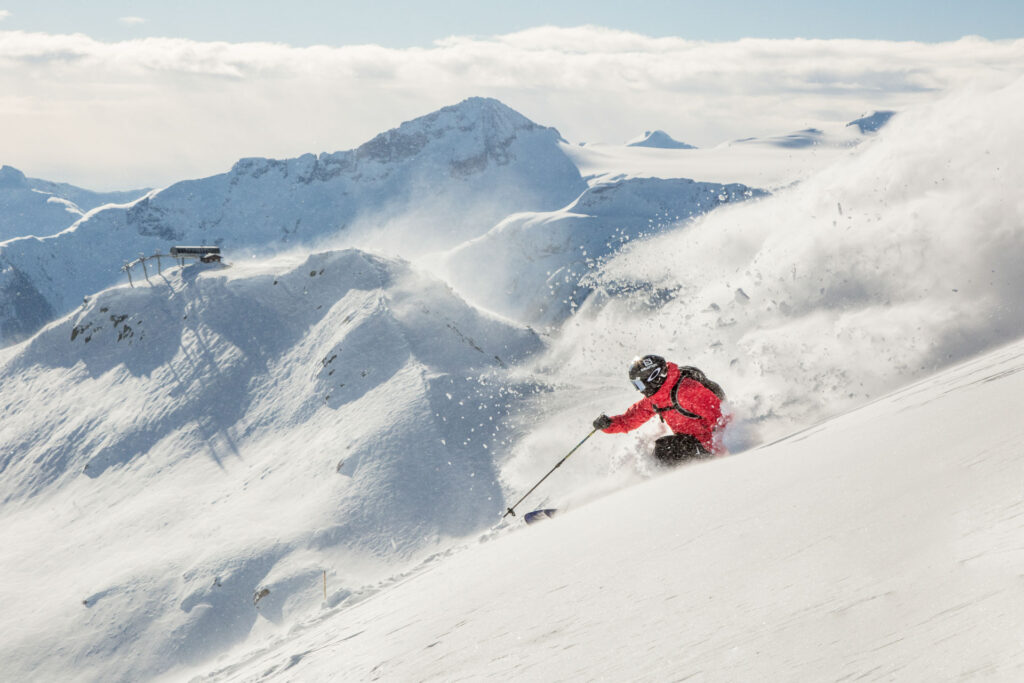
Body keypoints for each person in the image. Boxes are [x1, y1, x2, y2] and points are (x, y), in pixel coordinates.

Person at [593, 354, 727, 466]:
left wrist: (723, 451)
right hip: (691, 440)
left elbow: (724, 417)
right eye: (636, 385)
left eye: (639, 384)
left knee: (665, 449)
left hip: (711, 444)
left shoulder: (687, 391)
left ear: (654, 378)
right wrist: (609, 424)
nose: (639, 390)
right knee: (663, 449)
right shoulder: (656, 399)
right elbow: (629, 420)